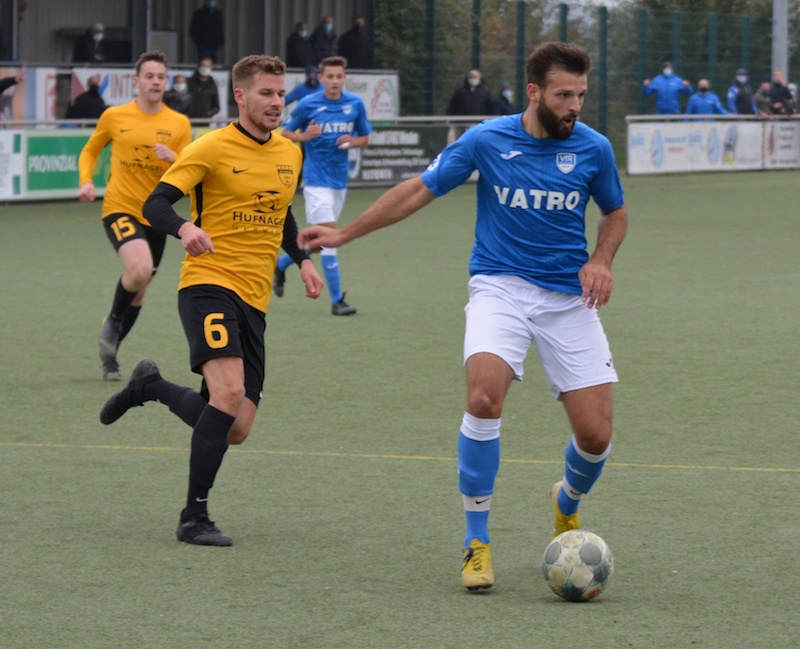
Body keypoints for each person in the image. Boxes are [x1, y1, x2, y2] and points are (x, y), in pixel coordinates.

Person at [297, 41, 628, 592]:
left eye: (581, 95)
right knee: (482, 398)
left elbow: (615, 212)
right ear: (534, 92)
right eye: (564, 95)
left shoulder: (593, 147)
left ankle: (566, 502)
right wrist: (346, 233)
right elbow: (418, 191)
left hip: (568, 298)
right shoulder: (487, 138)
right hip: (499, 286)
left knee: (595, 437)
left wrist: (601, 259)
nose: (575, 106)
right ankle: (477, 542)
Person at [100, 54, 323, 547]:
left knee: (235, 426)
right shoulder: (211, 147)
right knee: (227, 394)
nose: (277, 102)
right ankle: (193, 518)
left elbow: (282, 213)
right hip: (208, 283)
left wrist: (303, 260)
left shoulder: (290, 153)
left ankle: (149, 386)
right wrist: (185, 229)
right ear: (240, 96)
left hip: (255, 299)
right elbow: (155, 203)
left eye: (280, 93)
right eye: (266, 93)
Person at [77, 51, 192, 381]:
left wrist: (174, 158)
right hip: (120, 208)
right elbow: (91, 150)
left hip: (157, 214)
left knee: (140, 288)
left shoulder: (179, 123)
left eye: (161, 77)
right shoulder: (115, 116)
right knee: (139, 269)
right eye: (150, 76)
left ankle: (110, 355)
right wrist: (86, 180)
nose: (155, 82)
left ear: (166, 82)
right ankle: (113, 322)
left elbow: (191, 170)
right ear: (136, 81)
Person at [274, 55, 372, 316]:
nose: (335, 81)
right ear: (321, 78)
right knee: (330, 240)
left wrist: (352, 142)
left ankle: (281, 265)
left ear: (344, 78)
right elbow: (285, 133)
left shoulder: (354, 103)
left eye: (339, 76)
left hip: (339, 180)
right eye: (330, 76)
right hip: (316, 180)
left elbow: (365, 138)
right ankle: (337, 300)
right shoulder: (309, 103)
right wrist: (304, 136)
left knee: (320, 241)